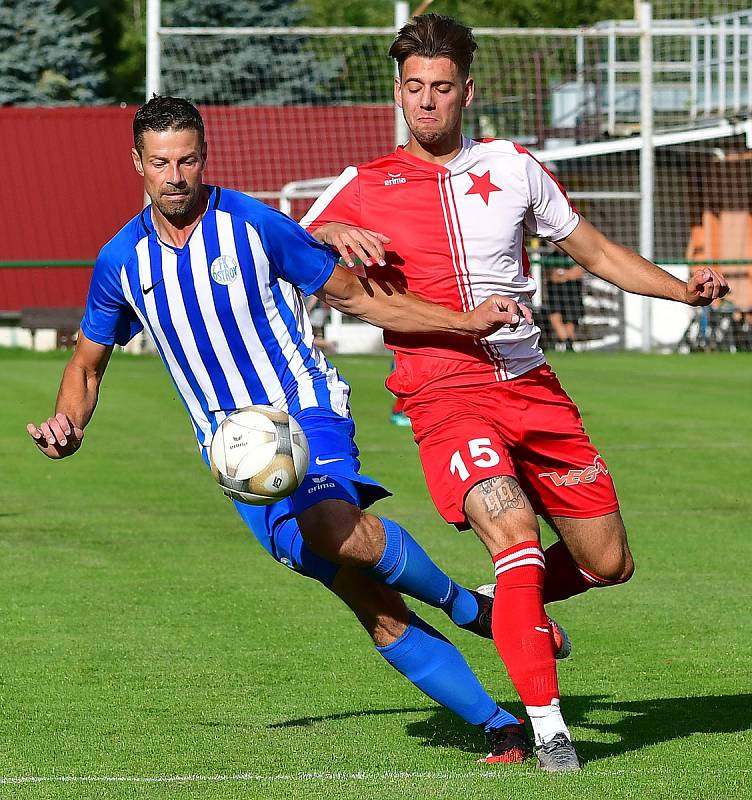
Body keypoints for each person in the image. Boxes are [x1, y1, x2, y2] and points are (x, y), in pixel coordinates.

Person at [26, 95, 547, 764]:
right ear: (137, 164)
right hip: (236, 459)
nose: (176, 175)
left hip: (302, 408)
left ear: (204, 157)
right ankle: (501, 725)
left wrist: (463, 320)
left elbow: (356, 295)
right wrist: (68, 425)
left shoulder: (252, 223)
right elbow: (88, 365)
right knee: (371, 602)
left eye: (187, 159)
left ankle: (469, 609)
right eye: (160, 163)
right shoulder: (120, 261)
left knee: (326, 525)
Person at [300, 14, 729, 772]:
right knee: (514, 528)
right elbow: (291, 247)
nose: (424, 103)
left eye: (439, 88)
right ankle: (548, 728)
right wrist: (330, 234)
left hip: (531, 383)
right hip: (442, 389)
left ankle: (506, 608)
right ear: (398, 92)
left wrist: (682, 290)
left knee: (607, 562)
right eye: (412, 89)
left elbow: (592, 249)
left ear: (468, 91)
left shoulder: (514, 164)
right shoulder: (362, 184)